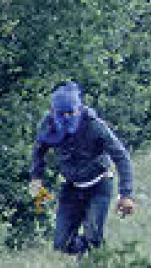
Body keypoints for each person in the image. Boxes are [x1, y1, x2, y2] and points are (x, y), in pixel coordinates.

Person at [28, 82, 136, 255]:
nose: (67, 117)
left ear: (79, 109)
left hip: (99, 184)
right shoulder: (48, 124)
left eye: (71, 112)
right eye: (61, 114)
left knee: (93, 236)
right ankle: (89, 255)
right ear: (54, 111)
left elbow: (121, 156)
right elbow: (38, 151)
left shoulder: (95, 125)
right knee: (61, 244)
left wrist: (126, 195)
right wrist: (36, 181)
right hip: (71, 186)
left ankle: (98, 258)